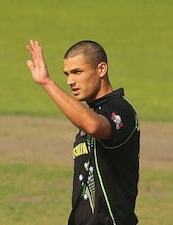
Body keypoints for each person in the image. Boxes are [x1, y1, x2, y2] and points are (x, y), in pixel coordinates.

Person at [26, 40, 140, 225]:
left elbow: (94, 126)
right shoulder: (93, 114)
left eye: (77, 72)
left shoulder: (121, 110)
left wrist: (47, 83)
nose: (70, 81)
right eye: (67, 74)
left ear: (101, 69)